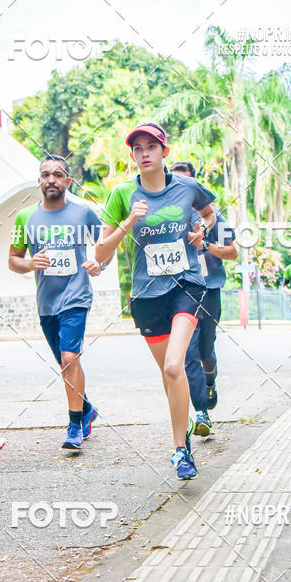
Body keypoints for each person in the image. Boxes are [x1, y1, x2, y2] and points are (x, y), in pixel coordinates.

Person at [96, 124, 216, 479]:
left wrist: (202, 231)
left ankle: (180, 451)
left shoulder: (187, 187)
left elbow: (208, 212)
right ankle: (184, 434)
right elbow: (101, 251)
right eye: (137, 149)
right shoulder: (121, 194)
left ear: (165, 151)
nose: (144, 153)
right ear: (132, 156)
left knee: (174, 367)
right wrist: (128, 221)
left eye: (152, 146)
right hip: (147, 296)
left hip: (187, 286)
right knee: (169, 376)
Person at [8, 155, 107, 450]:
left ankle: (74, 426)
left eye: (58, 174)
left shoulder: (83, 214)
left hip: (76, 296)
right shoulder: (24, 218)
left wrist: (99, 264)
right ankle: (87, 409)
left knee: (69, 359)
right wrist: (29, 264)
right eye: (46, 174)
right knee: (66, 365)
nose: (52, 179)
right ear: (39, 180)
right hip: (47, 304)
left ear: (67, 181)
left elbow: (106, 244)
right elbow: (13, 259)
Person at [170, 161, 237, 437]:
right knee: (186, 353)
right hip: (182, 290)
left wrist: (204, 245)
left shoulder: (215, 218)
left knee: (205, 352)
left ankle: (210, 378)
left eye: (186, 183)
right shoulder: (169, 216)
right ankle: (201, 413)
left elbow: (232, 253)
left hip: (209, 290)